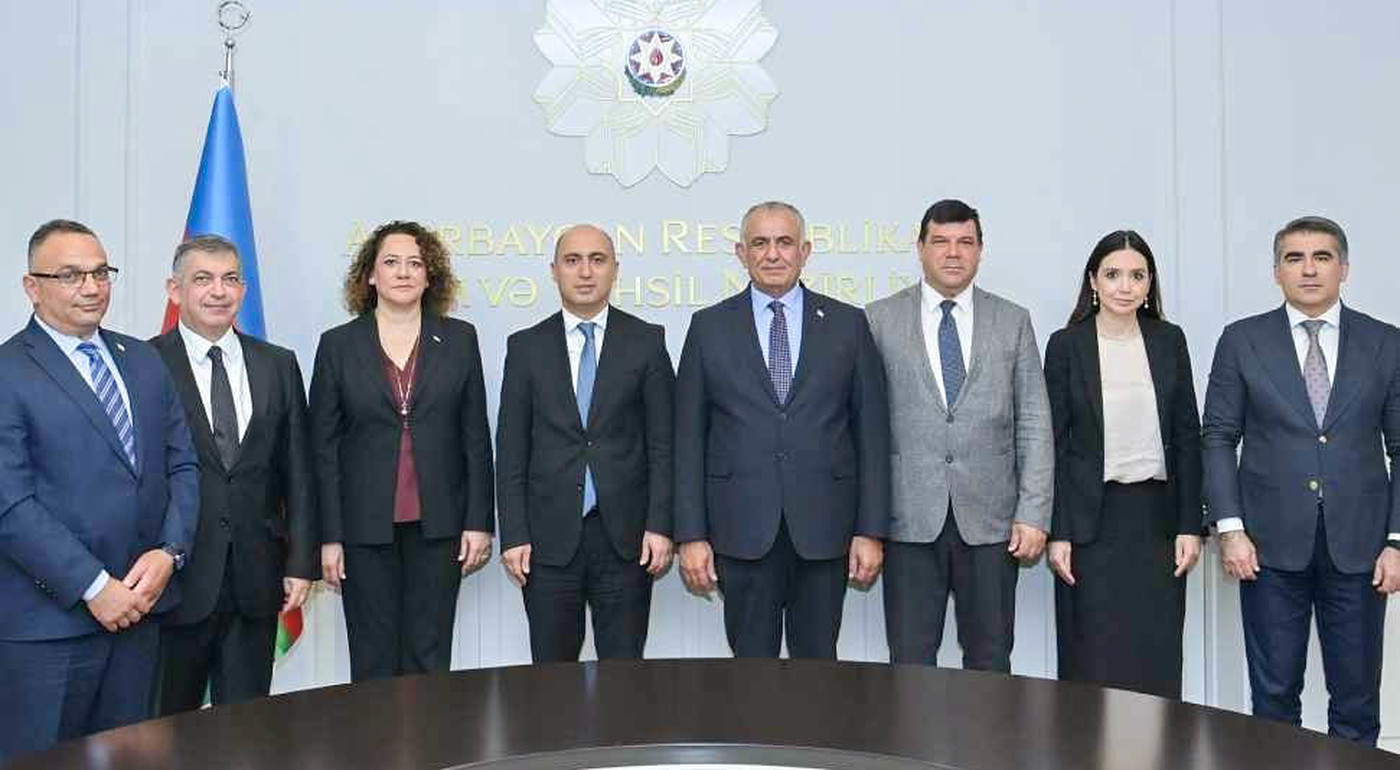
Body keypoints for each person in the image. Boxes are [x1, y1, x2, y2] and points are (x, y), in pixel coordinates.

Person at [0, 219, 199, 760]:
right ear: (31, 286)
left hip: (141, 617)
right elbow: (11, 506)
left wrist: (170, 553)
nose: (91, 287)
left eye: (100, 272)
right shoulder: (8, 371)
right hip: (49, 630)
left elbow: (182, 466)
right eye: (71, 275)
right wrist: (94, 587)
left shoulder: (144, 360)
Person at [1202, 215, 1400, 745]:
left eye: (1322, 257)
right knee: (1272, 699)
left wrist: (1396, 540)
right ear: (1276, 272)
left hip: (1361, 549)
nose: (1309, 269)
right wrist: (1230, 529)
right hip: (1265, 548)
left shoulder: (1386, 343)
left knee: (1357, 701)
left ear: (1344, 268)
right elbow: (1218, 436)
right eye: (1295, 258)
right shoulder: (1242, 340)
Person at [673, 201, 890, 659]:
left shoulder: (848, 325)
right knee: (751, 675)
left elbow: (871, 435)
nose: (773, 254)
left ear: (806, 251)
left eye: (785, 242)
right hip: (741, 531)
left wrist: (870, 531)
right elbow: (688, 439)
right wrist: (691, 535)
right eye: (760, 243)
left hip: (825, 531)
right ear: (741, 253)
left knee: (818, 674)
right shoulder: (708, 327)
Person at [864, 199, 1053, 672]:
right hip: (907, 520)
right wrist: (866, 523)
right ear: (920, 249)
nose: (953, 253)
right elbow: (862, 428)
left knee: (990, 658)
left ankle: (989, 750)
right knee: (909, 660)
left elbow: (1033, 422)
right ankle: (908, 750)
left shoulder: (1012, 320)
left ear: (980, 251)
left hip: (991, 524)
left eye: (965, 242)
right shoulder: (878, 320)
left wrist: (1033, 512)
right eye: (941, 242)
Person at [309, 220, 494, 681]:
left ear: (430, 277)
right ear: (370, 275)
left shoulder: (459, 339)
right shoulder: (338, 345)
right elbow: (323, 450)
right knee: (372, 659)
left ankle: (430, 752)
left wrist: (478, 522)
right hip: (362, 530)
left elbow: (476, 436)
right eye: (391, 262)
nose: (404, 272)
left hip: (440, 526)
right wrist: (328, 536)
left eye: (416, 263)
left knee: (429, 656)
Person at [149, 235, 317, 713]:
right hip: (175, 582)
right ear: (175, 290)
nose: (218, 291)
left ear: (244, 290)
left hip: (257, 576)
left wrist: (300, 561)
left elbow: (298, 472)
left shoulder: (277, 364)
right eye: (202, 279)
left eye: (230, 279)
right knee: (165, 727)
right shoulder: (146, 363)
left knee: (246, 728)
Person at [496, 224, 675, 662]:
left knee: (624, 674)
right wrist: (514, 533)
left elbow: (664, 444)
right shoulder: (525, 347)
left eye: (598, 260)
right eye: (573, 261)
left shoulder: (647, 342)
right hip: (548, 541)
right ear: (554, 271)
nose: (585, 272)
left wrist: (660, 525)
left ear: (615, 270)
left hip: (627, 540)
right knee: (551, 679)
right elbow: (511, 450)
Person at [1042, 230, 1203, 699]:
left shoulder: (1169, 340)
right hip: (1091, 525)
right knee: (1091, 658)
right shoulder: (1066, 345)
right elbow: (1051, 444)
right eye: (1113, 275)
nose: (1125, 286)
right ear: (1093, 280)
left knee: (1154, 657)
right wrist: (1059, 531)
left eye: (1137, 276)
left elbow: (1187, 436)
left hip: (1157, 522)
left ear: (1150, 285)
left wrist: (1190, 525)